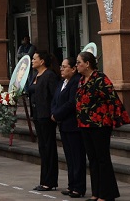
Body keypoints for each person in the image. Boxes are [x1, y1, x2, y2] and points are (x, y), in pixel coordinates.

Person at [76, 51, 130, 201]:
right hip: (85, 123)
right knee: (92, 159)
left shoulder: (100, 79)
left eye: (79, 62)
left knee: (102, 158)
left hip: (100, 124)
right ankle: (96, 192)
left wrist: (114, 119)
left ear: (87, 64)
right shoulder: (82, 80)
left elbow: (112, 99)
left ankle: (106, 194)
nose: (77, 65)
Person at [51, 57, 86, 198]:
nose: (61, 69)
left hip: (73, 125)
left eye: (65, 66)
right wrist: (53, 112)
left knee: (77, 158)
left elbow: (71, 103)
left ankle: (79, 187)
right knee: (69, 157)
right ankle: (72, 185)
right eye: (61, 66)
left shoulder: (76, 82)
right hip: (63, 125)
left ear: (73, 69)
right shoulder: (62, 82)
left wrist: (57, 114)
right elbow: (55, 100)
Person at [27, 50, 60, 192]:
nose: (32, 61)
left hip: (47, 116)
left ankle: (50, 181)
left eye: (34, 58)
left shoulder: (50, 76)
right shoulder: (35, 75)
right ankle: (44, 180)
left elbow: (55, 96)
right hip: (37, 115)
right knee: (42, 148)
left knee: (49, 148)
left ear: (42, 61)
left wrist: (54, 113)